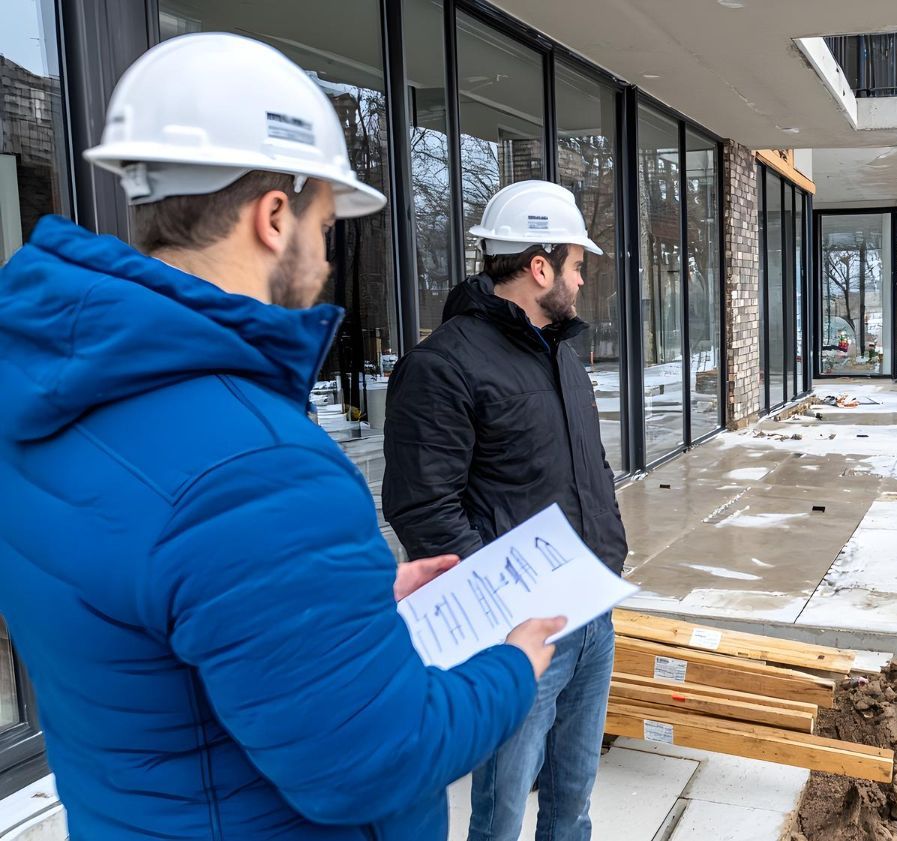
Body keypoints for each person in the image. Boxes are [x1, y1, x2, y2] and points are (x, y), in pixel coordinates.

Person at [0, 33, 563, 840]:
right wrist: (514, 664)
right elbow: (380, 757)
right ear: (273, 216)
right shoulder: (256, 466)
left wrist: (342, 598)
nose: (329, 262)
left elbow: (177, 617)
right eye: (326, 223)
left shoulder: (43, 401)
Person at [382, 180, 629, 841]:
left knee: (573, 805)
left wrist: (608, 555)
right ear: (539, 265)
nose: (581, 281)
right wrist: (501, 605)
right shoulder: (442, 367)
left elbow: (590, 471)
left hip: (591, 617)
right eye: (577, 266)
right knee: (500, 817)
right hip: (519, 636)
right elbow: (422, 504)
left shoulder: (563, 358)